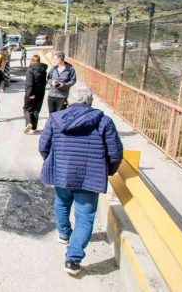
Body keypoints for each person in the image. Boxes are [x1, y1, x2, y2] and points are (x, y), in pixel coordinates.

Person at [39, 86, 123, 275]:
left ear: (70, 100)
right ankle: (73, 259)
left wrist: (54, 163)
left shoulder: (55, 119)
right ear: (89, 102)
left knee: (61, 202)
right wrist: (106, 171)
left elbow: (43, 146)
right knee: (85, 216)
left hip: (62, 173)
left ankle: (63, 234)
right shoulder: (104, 122)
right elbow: (116, 153)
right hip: (89, 176)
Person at [23, 55, 48, 134]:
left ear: (32, 61)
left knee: (26, 109)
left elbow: (29, 83)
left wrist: (29, 93)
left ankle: (29, 123)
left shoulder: (30, 70)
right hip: (40, 93)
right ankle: (34, 128)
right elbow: (44, 82)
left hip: (32, 93)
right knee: (36, 110)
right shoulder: (43, 70)